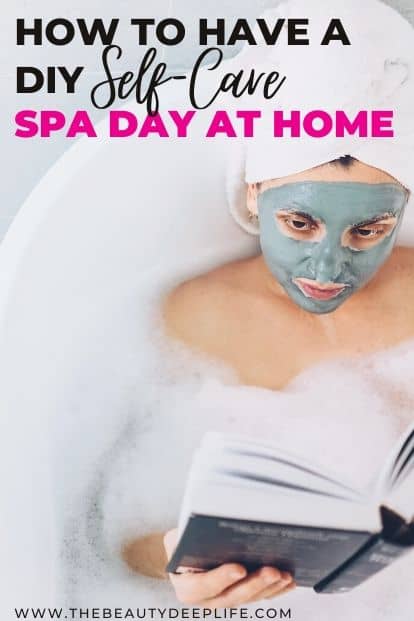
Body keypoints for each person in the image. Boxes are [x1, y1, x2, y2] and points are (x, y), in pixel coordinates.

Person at [122, 155, 413, 606]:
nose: (326, 270)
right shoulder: (192, 319)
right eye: (299, 223)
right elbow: (112, 536)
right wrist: (188, 561)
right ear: (254, 193)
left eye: (368, 230)